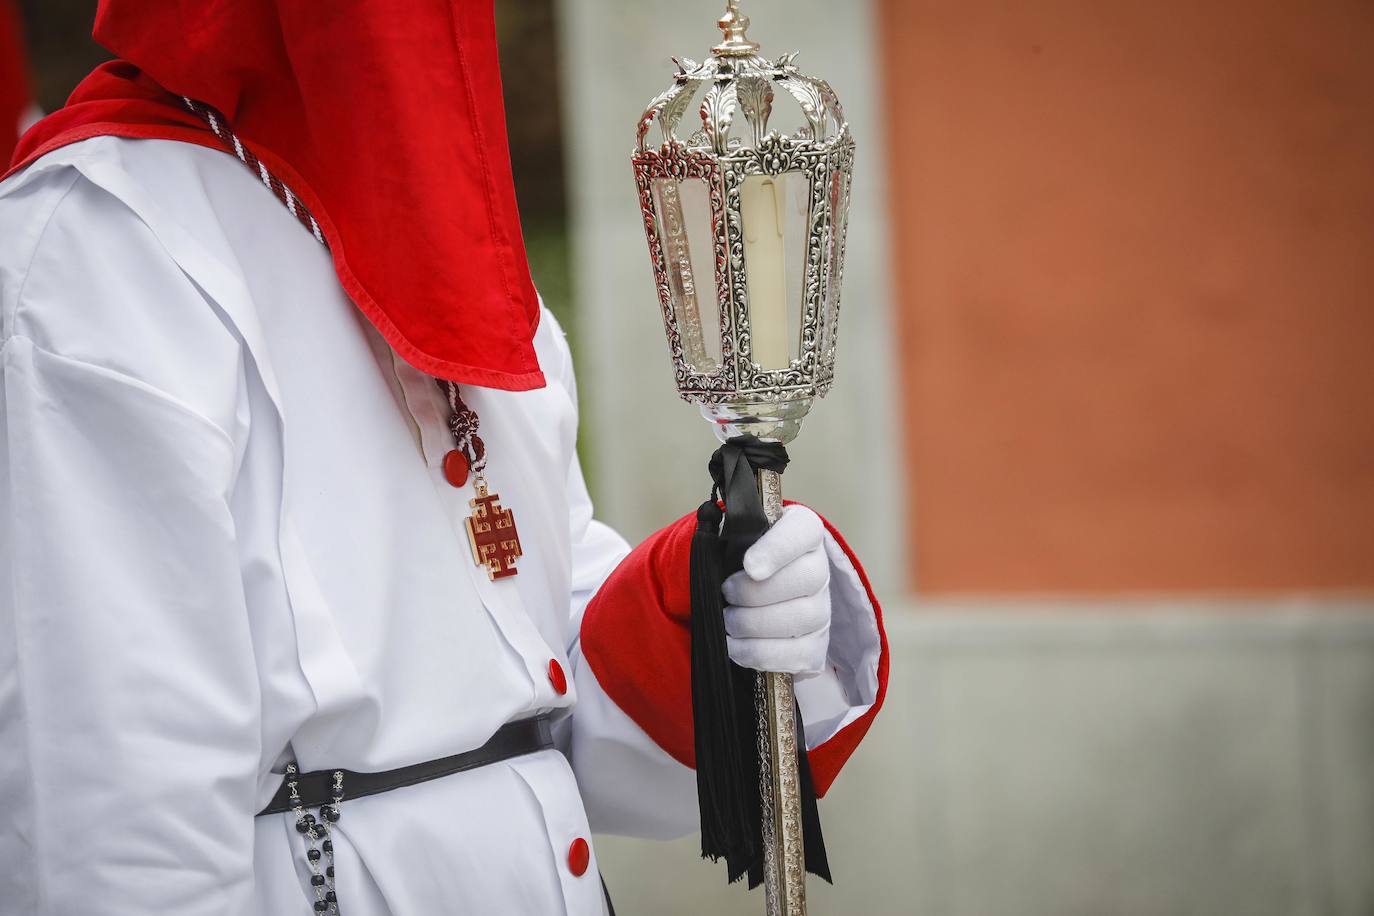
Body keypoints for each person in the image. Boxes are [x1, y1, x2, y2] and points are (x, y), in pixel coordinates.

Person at [0, 2, 888, 913]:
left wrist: (710, 606)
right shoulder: (99, 246)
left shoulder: (456, 245)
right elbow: (124, 841)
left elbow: (543, 689)